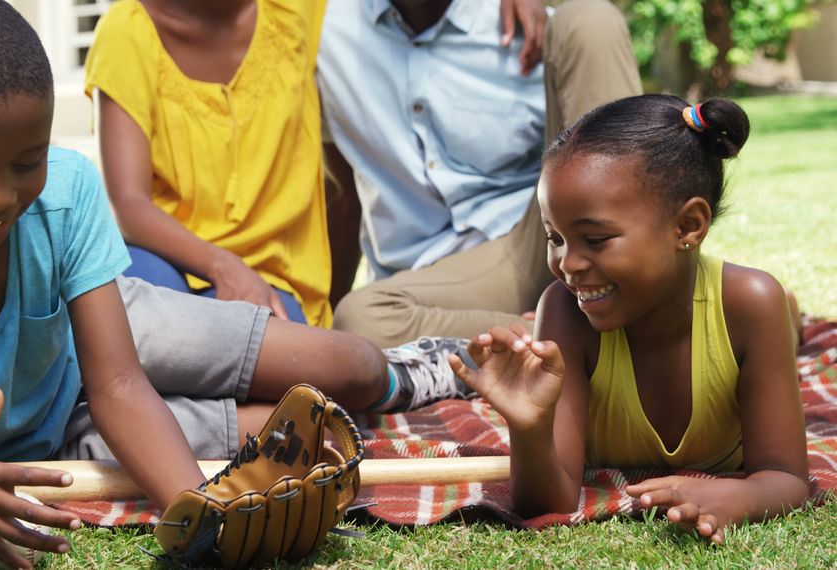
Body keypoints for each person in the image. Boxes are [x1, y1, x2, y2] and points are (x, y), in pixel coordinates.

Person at [0, 1, 472, 567]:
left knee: (345, 366)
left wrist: (200, 514)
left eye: (25, 162)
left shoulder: (67, 191)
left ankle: (417, 375)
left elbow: (118, 383)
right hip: (49, 444)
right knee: (315, 431)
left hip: (97, 339)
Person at [449, 94, 809, 543]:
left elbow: (787, 478)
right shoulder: (563, 311)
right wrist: (529, 427)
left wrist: (736, 497)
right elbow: (550, 503)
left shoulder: (750, 306)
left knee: (780, 317)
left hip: (750, 309)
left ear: (688, 226)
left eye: (595, 239)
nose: (568, 264)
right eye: (554, 237)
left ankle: (791, 319)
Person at [317, 0, 643, 347]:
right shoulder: (325, 33)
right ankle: (569, 337)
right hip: (427, 285)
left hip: (539, 240)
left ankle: (634, 300)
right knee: (360, 320)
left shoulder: (516, 22)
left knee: (590, 20)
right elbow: (338, 191)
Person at [83, 0, 332, 326]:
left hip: (273, 276)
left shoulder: (291, 11)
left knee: (252, 341)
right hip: (164, 258)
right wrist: (223, 266)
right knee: (128, 299)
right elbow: (129, 205)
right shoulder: (127, 30)